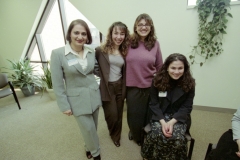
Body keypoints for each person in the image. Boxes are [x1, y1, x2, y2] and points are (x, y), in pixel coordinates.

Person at [50, 19, 102, 160]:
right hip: (76, 99)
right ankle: (96, 154)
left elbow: (97, 70)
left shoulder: (91, 52)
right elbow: (57, 83)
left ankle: (88, 147)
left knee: (93, 127)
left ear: (87, 36)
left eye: (84, 34)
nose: (80, 37)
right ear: (70, 34)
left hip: (94, 95)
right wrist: (64, 105)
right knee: (88, 128)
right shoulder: (58, 54)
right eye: (76, 33)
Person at [141, 53, 196, 160]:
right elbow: (154, 104)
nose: (176, 72)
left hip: (178, 117)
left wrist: (171, 122)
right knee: (157, 134)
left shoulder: (190, 83)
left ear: (185, 68)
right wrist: (162, 122)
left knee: (178, 138)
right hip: (159, 115)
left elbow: (187, 107)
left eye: (180, 68)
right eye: (173, 68)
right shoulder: (157, 80)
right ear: (167, 68)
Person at [126, 13, 163, 146]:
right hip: (132, 86)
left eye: (146, 25)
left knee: (148, 114)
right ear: (135, 27)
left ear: (151, 27)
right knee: (134, 114)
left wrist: (162, 84)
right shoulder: (128, 42)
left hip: (150, 85)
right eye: (140, 24)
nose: (143, 27)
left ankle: (145, 133)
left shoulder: (155, 44)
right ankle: (136, 135)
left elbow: (159, 66)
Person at [95, 22, 130, 147]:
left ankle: (117, 136)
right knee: (112, 115)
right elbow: (93, 66)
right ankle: (112, 132)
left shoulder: (125, 51)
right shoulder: (100, 50)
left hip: (120, 85)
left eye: (122, 34)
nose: (119, 37)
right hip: (107, 87)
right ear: (111, 34)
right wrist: (103, 75)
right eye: (116, 33)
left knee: (119, 114)